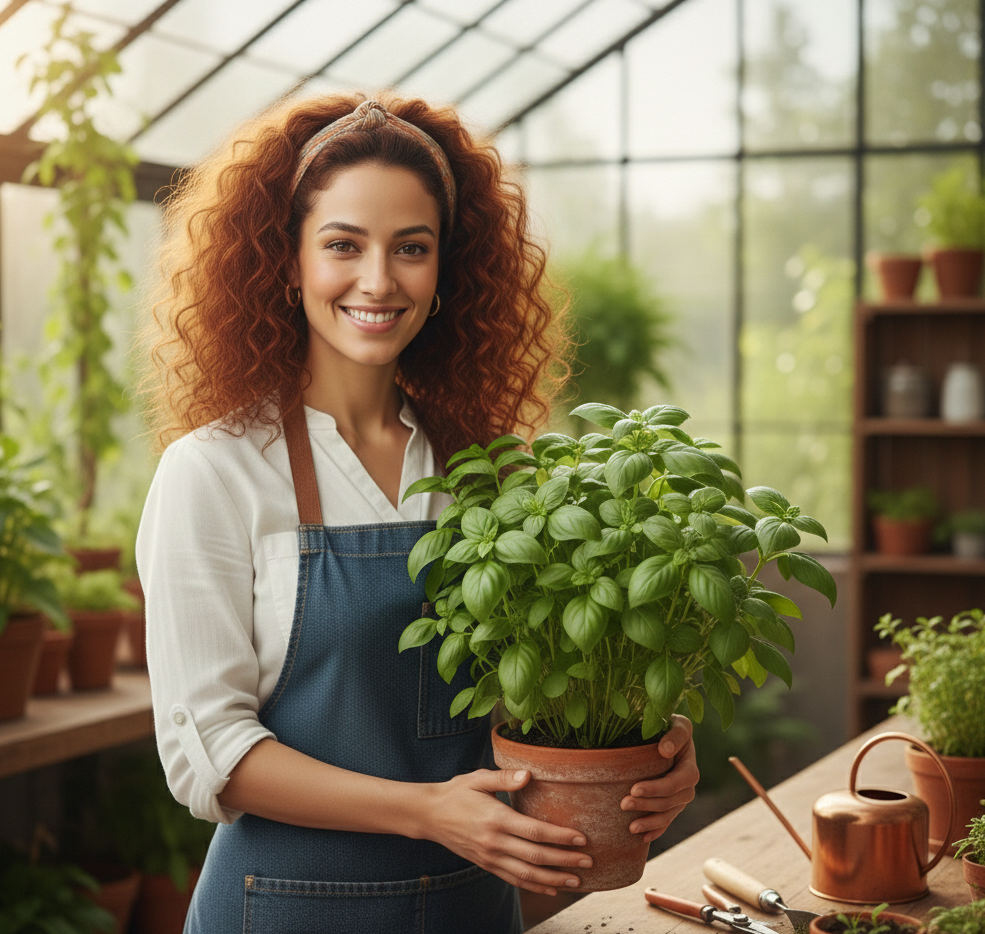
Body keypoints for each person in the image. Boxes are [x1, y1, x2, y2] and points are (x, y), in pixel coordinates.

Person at [137, 93, 699, 934]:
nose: (378, 280)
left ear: (447, 273)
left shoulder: (495, 472)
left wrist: (651, 745)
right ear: (285, 263)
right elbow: (209, 753)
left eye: (412, 248)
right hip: (279, 910)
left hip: (474, 910)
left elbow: (544, 692)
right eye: (342, 245)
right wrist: (430, 812)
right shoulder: (214, 473)